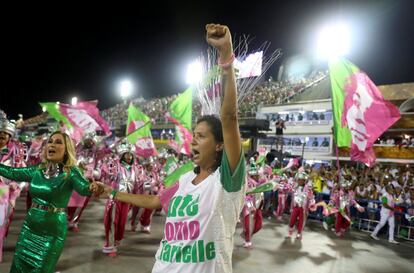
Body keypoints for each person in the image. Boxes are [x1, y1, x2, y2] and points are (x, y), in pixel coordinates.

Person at [93, 23, 245, 273]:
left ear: (220, 145)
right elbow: (154, 201)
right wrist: (110, 192)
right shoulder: (185, 180)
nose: (193, 140)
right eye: (193, 135)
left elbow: (229, 118)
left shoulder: (227, 181)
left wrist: (226, 56)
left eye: (201, 136)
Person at [0, 131, 97, 272]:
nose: (52, 144)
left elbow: (84, 188)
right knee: (19, 268)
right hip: (30, 227)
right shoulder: (38, 170)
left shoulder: (71, 172)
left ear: (66, 149)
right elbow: (12, 172)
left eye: (58, 142)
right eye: (50, 141)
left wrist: (92, 187)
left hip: (52, 231)